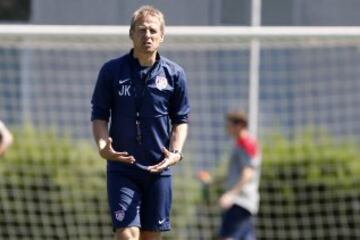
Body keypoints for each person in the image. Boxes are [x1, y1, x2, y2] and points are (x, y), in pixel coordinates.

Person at [91, 5, 190, 240]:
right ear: (131, 34)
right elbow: (99, 115)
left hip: (158, 169)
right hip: (122, 168)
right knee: (127, 235)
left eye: (153, 31)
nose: (148, 35)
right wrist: (104, 147)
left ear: (162, 36)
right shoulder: (111, 71)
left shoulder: (175, 74)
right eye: (141, 30)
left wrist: (175, 152)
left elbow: (180, 121)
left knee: (150, 237)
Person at [197, 111, 261, 240]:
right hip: (242, 202)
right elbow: (234, 175)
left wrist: (232, 194)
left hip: (240, 201)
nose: (227, 128)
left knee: (226, 237)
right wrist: (213, 180)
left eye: (229, 125)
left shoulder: (247, 143)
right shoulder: (239, 144)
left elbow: (248, 173)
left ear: (239, 125)